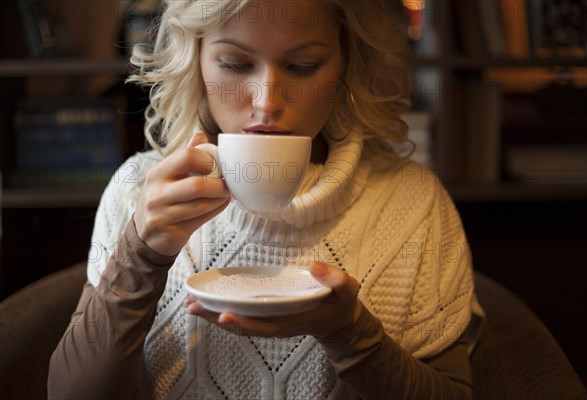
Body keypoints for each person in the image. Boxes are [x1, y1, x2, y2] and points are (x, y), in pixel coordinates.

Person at [48, 0, 484, 399]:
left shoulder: (411, 203)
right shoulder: (137, 189)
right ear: (196, 61)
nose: (267, 102)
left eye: (302, 66)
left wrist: (351, 336)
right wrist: (139, 256)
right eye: (235, 64)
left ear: (347, 62)